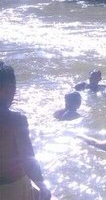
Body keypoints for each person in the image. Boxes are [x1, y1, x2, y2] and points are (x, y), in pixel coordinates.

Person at [0, 63, 51, 200]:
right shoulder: (16, 120)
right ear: (7, 88)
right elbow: (27, 159)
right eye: (13, 88)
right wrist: (43, 186)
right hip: (11, 189)